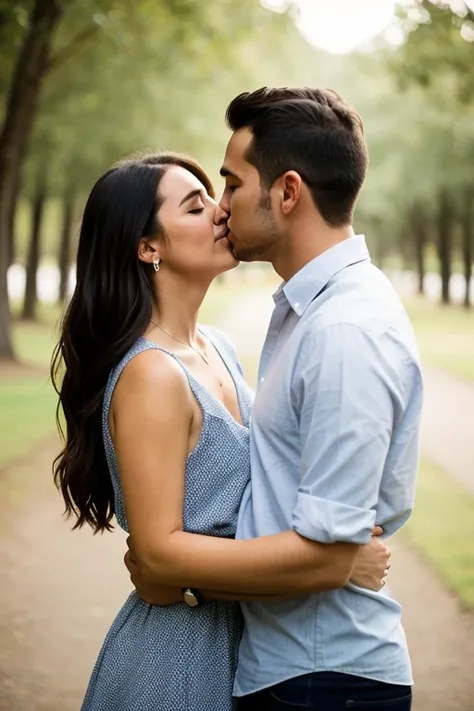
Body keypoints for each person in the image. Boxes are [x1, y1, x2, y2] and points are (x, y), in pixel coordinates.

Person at [51, 151, 390, 711]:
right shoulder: (152, 374)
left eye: (215, 195)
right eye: (194, 206)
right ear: (147, 247)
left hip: (253, 645)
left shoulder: (219, 348)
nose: (221, 211)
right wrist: (331, 565)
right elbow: (159, 556)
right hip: (180, 660)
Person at [127, 88, 423, 711]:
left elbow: (324, 558)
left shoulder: (344, 330)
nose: (222, 207)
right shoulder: (301, 312)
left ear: (287, 193)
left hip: (323, 678)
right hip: (287, 669)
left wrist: (180, 579)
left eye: (231, 185)